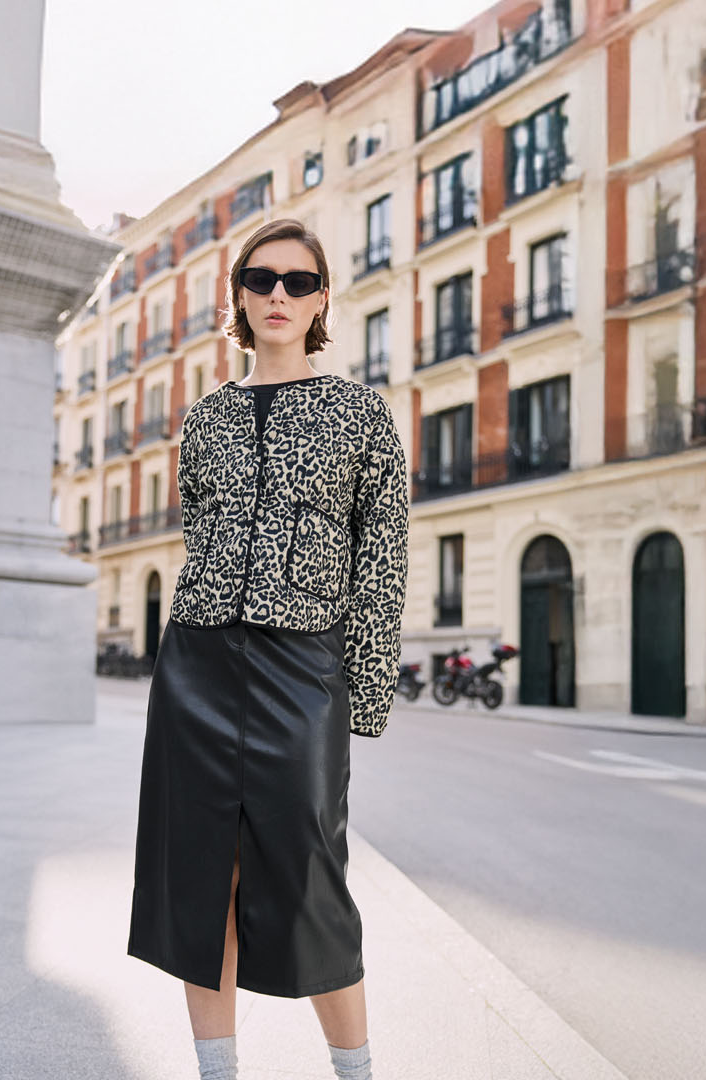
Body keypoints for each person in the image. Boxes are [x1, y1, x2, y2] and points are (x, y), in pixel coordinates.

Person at [127, 217, 411, 1080]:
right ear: (239, 299)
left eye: (296, 281)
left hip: (305, 668)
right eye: (260, 280)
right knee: (198, 881)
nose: (277, 295)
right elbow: (199, 539)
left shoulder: (362, 413)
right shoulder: (205, 418)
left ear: (322, 298)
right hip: (198, 666)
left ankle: (354, 1072)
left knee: (311, 873)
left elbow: (384, 556)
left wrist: (357, 696)